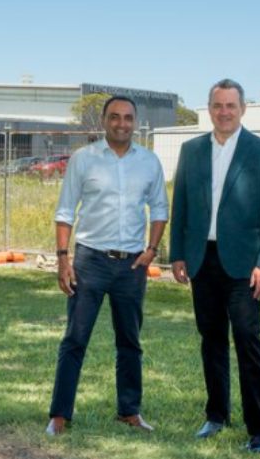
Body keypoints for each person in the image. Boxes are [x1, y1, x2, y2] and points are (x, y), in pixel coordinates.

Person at [169, 79, 260, 453]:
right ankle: (216, 415)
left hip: (245, 265)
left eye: (231, 105)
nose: (224, 112)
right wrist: (178, 253)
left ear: (243, 109)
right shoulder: (191, 150)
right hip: (202, 259)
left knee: (248, 339)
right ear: (209, 109)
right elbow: (181, 204)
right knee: (212, 338)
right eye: (217, 105)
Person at [45, 95, 169, 436]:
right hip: (90, 262)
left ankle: (129, 412)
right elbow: (65, 211)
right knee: (75, 339)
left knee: (130, 341)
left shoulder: (149, 162)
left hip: (132, 266)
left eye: (128, 118)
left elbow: (160, 208)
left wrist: (151, 250)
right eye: (115, 117)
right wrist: (63, 258)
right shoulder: (83, 159)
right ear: (104, 121)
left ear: (135, 122)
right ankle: (59, 415)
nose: (121, 123)